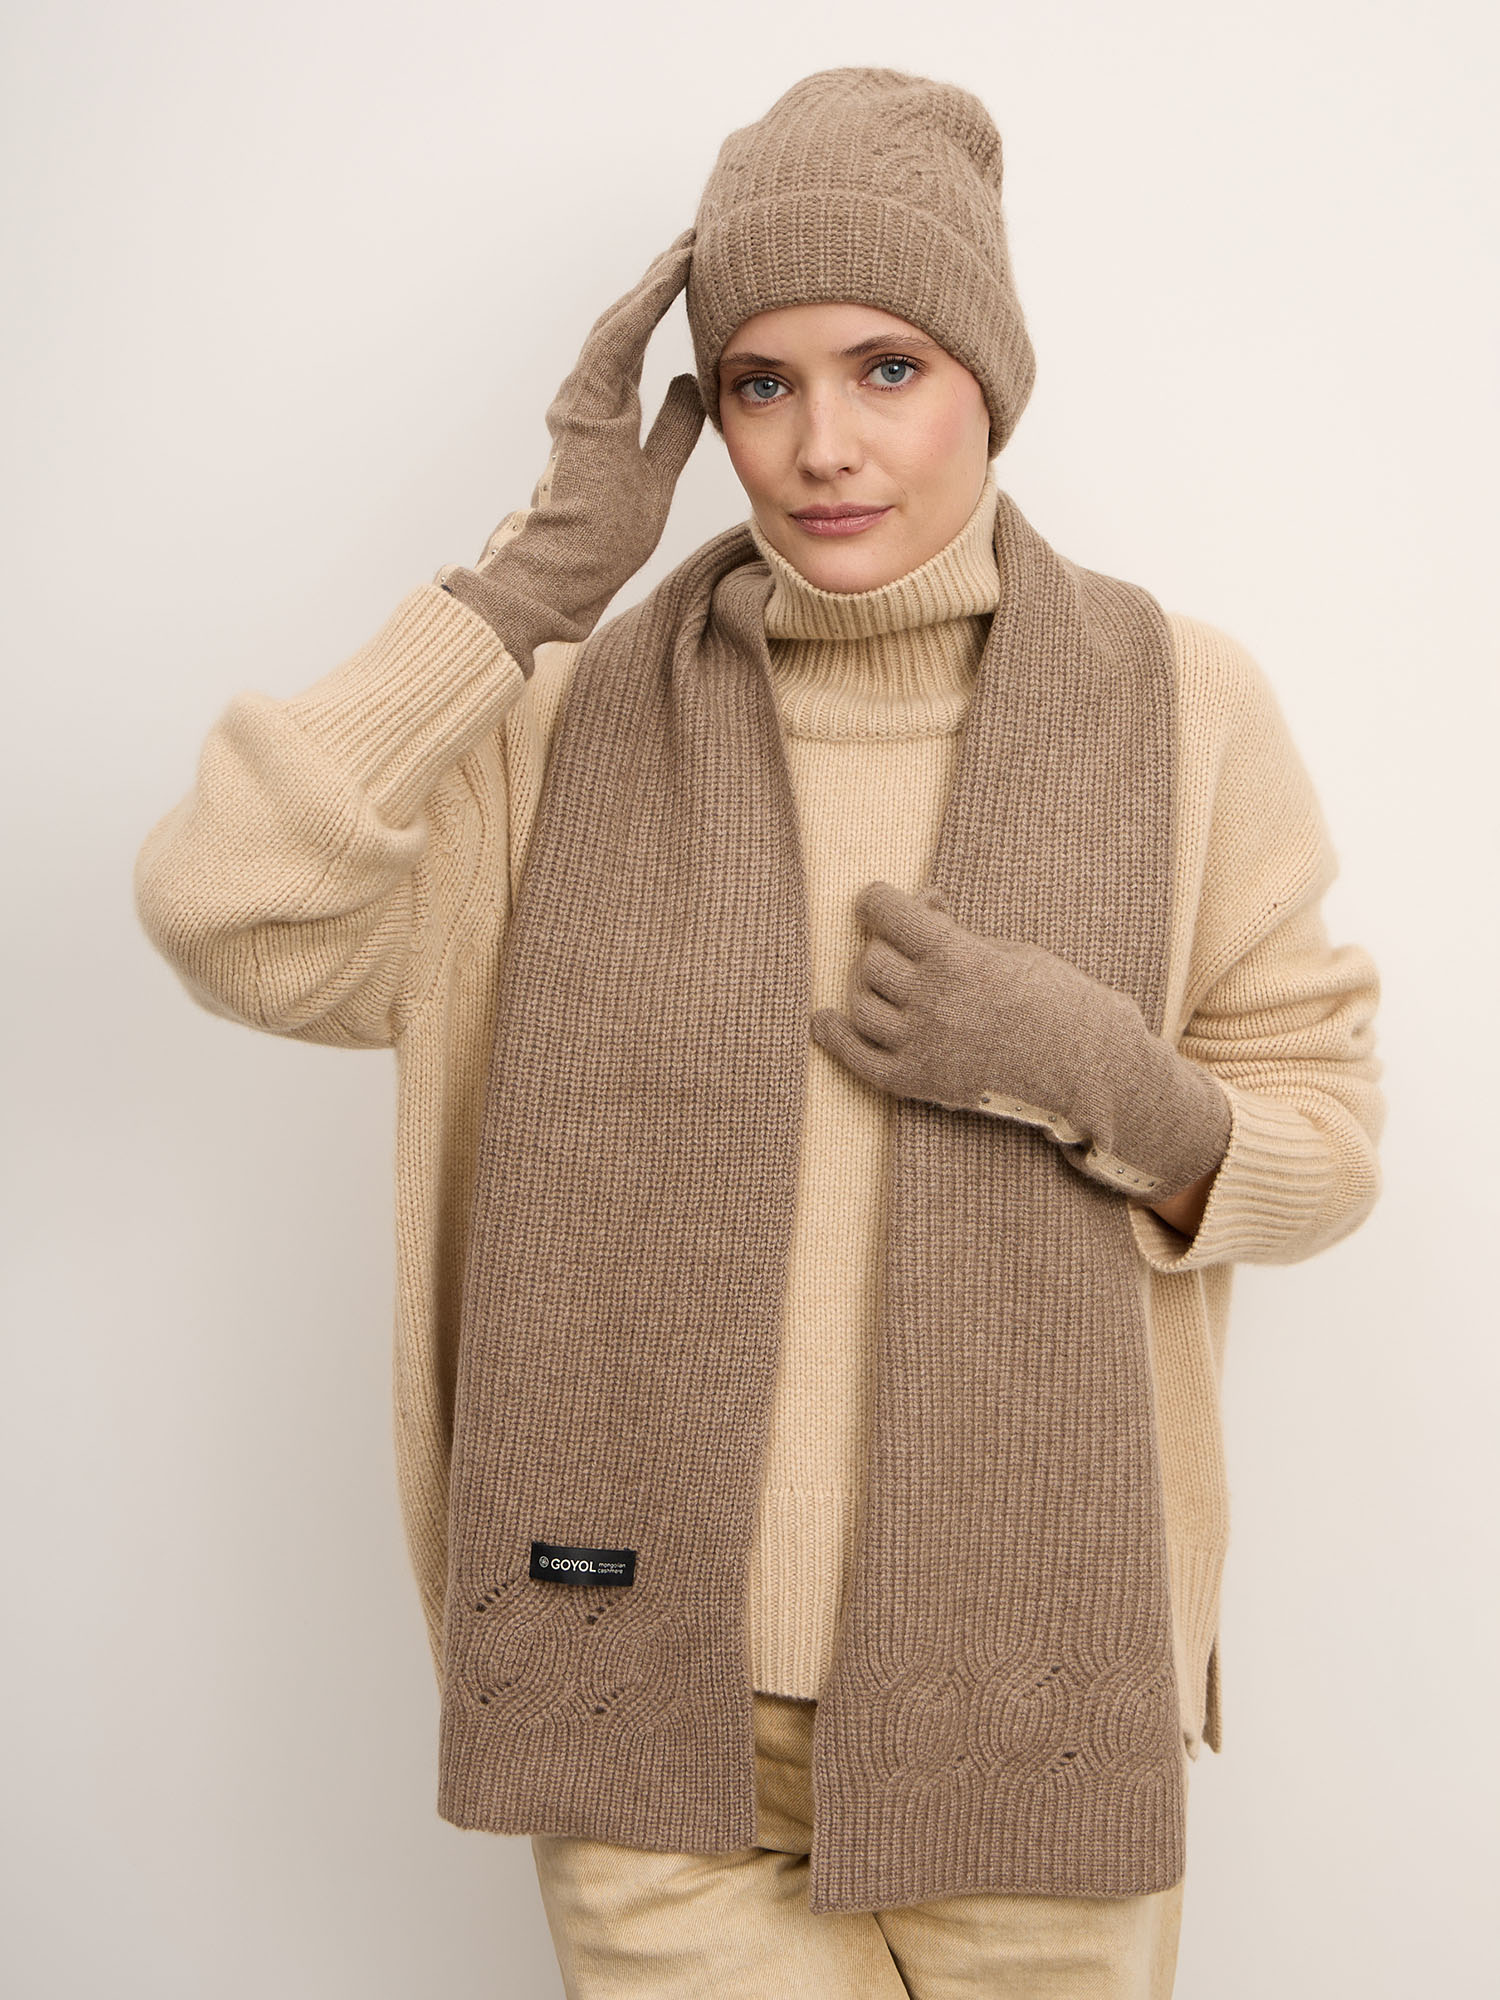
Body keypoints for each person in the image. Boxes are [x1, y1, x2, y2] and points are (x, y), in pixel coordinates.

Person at [133, 65, 1385, 2000]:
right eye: (759, 383)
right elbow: (226, 906)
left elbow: (1328, 1150)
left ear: (988, 381)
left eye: (888, 368)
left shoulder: (1181, 706)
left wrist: (1114, 1083)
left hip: (1037, 1705)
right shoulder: (560, 724)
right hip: (649, 1713)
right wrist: (529, 587)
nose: (823, 445)